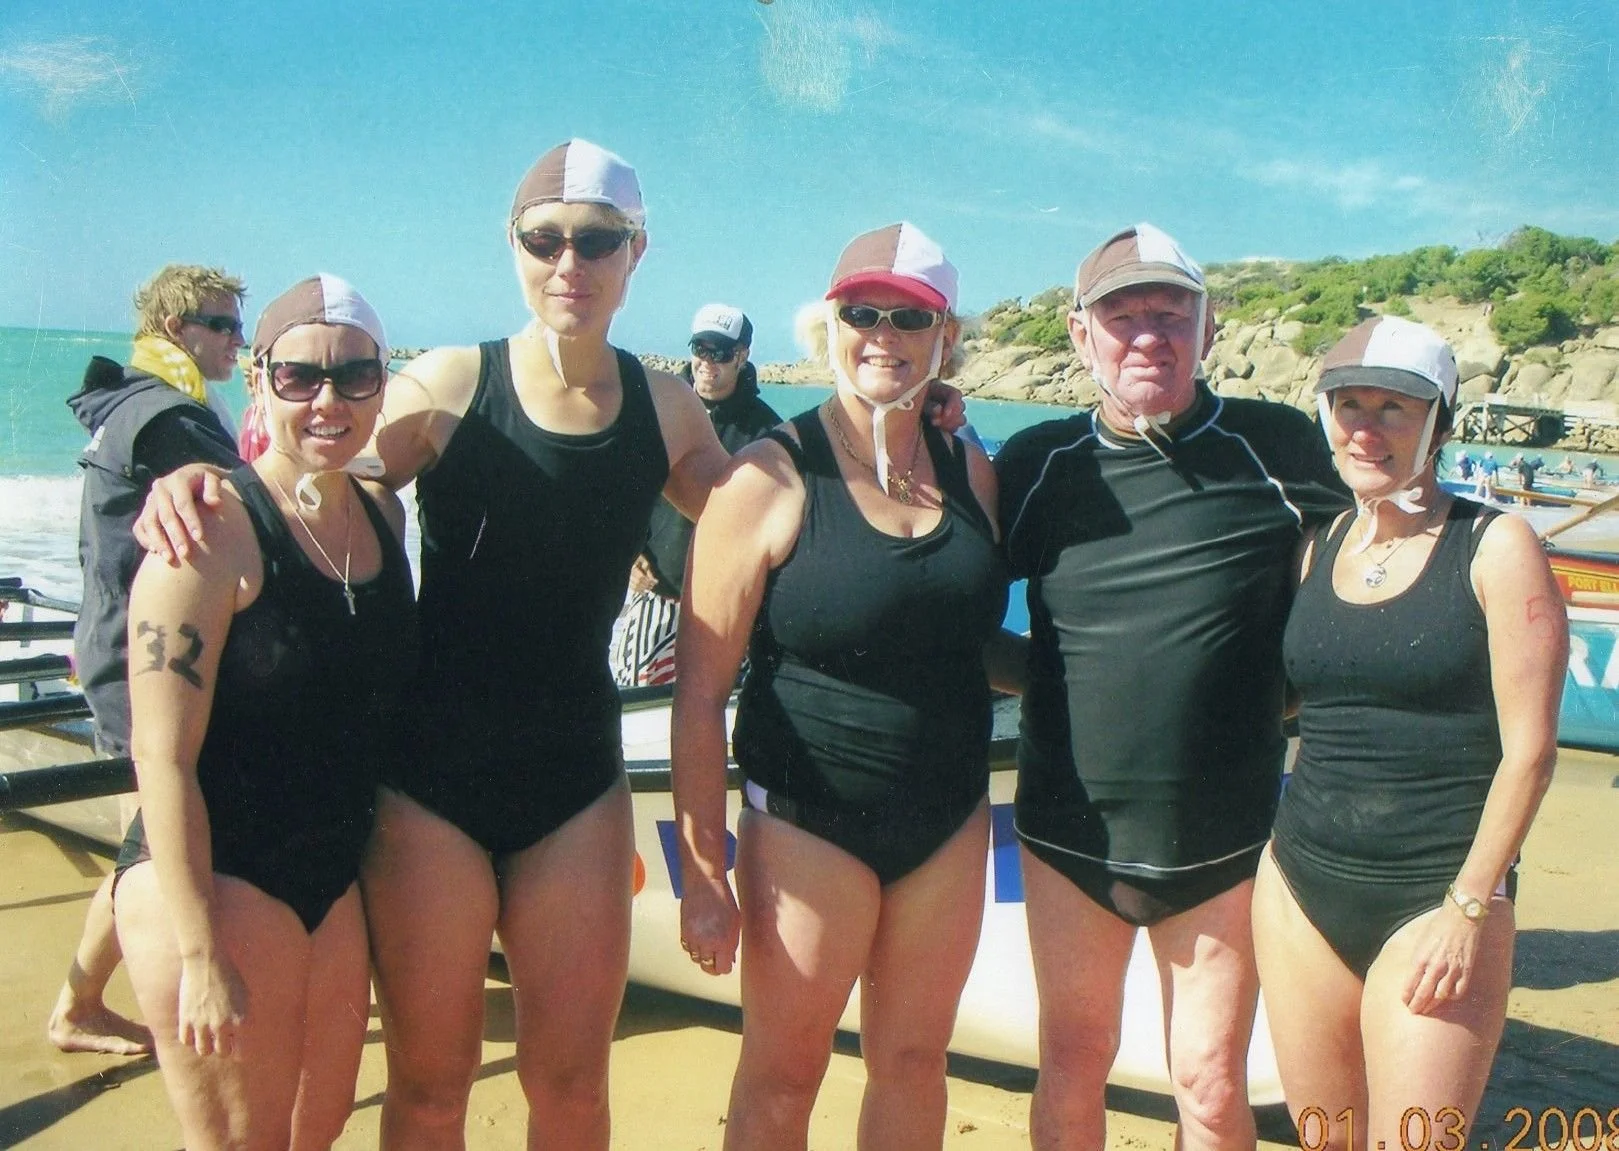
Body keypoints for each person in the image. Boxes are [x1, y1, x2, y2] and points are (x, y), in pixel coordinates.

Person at [994, 223, 1349, 1151]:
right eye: (1121, 315)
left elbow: (1374, 583)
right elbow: (941, 601)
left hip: (1223, 835)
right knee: (1072, 1057)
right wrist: (1053, 685)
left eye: (1169, 312)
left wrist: (1279, 696)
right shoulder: (1034, 463)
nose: (1147, 333)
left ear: (1208, 325)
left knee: (1207, 1079)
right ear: (1080, 336)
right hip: (1067, 830)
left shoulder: (1279, 449)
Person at [673, 222, 1017, 1149]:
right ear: (826, 323)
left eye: (909, 317)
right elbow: (700, 692)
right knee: (783, 1078)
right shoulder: (766, 477)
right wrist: (705, 874)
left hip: (947, 817)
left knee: (914, 1065)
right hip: (806, 822)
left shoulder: (967, 464)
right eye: (860, 312)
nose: (882, 334)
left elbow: (971, 637)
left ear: (945, 339)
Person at [113, 275, 415, 1148]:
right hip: (217, 878)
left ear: (381, 383)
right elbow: (159, 756)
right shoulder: (206, 532)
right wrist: (200, 951)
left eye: (356, 375)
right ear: (258, 380)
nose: (329, 399)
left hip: (328, 879)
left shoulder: (385, 515)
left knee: (312, 1134)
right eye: (299, 377)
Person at [1251, 315, 1566, 1151]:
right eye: (1347, 403)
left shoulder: (1495, 545)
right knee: (1325, 1139)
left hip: (1436, 894)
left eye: (1393, 408)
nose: (1365, 426)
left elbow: (1530, 750)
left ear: (1438, 423)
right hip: (1298, 883)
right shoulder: (1320, 544)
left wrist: (1467, 905)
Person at [52, 263, 248, 1056]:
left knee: (147, 837)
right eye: (222, 325)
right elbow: (257, 511)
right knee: (151, 841)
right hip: (140, 660)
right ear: (176, 328)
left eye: (241, 324)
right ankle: (81, 1002)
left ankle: (82, 998)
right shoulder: (171, 419)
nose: (238, 339)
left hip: (108, 642)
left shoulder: (137, 400)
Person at [610, 304, 779, 686]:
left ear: (742, 355)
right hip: (658, 593)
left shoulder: (768, 432)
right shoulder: (654, 412)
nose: (706, 362)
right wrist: (629, 554)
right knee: (636, 699)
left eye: (718, 352)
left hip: (728, 603)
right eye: (699, 348)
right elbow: (619, 490)